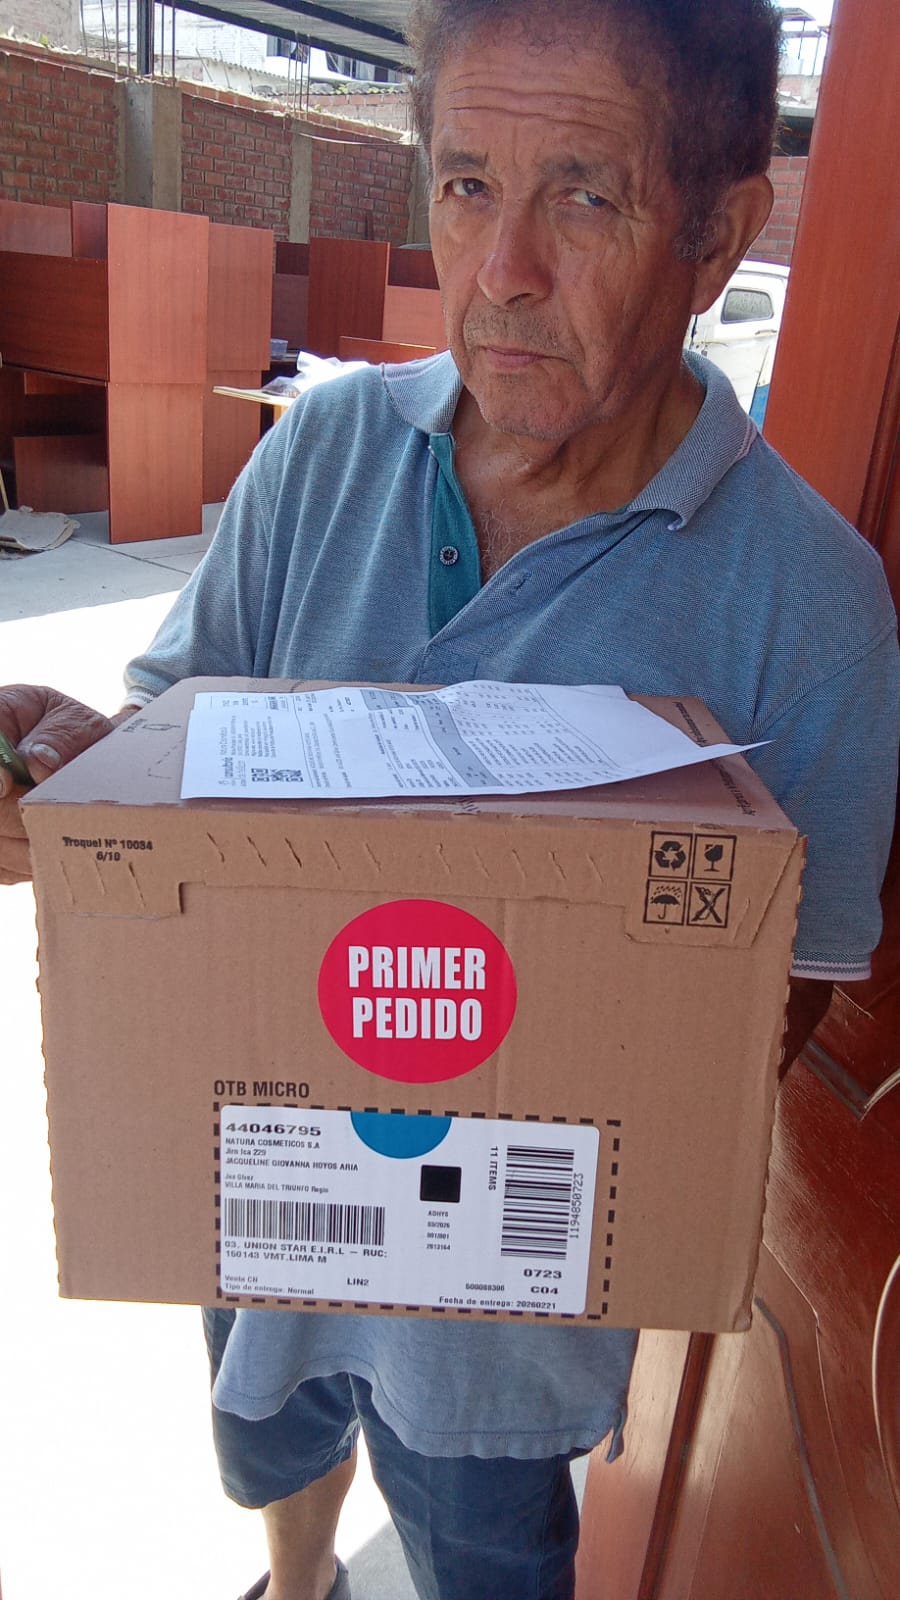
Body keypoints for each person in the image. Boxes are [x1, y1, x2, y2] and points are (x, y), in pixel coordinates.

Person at [1, 2, 898, 1596]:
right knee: (269, 1439)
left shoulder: (811, 606)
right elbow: (182, 732)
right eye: (469, 184)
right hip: (267, 1179)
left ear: (717, 235)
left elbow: (788, 985)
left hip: (507, 1305)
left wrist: (530, 1017)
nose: (503, 272)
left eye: (586, 195)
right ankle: (300, 1582)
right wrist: (82, 776)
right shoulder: (323, 452)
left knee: (484, 1549)